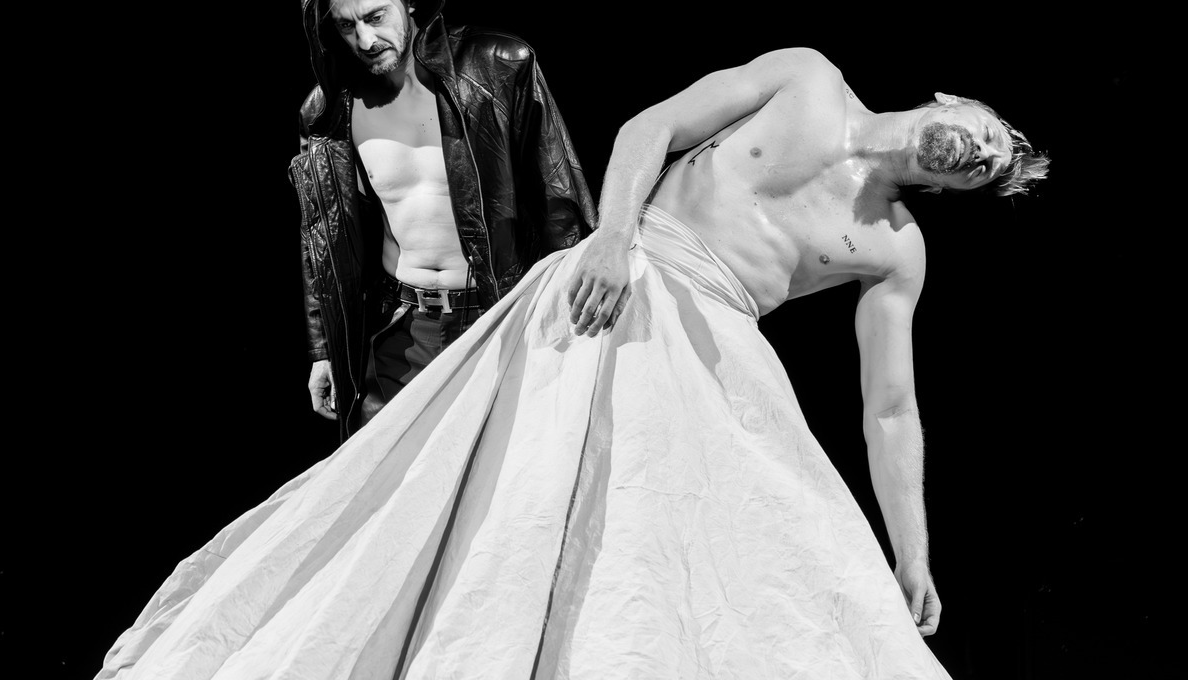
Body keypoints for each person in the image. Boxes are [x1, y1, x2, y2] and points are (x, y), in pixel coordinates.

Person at [96, 47, 1047, 679]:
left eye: (988, 168)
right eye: (989, 132)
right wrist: (612, 240)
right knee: (504, 499)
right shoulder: (808, 78)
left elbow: (890, 410)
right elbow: (651, 128)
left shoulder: (894, 249)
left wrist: (912, 553)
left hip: (711, 344)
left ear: (957, 187)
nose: (979, 152)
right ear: (951, 100)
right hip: (616, 282)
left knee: (679, 551)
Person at [291, 0, 597, 439]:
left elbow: (558, 199)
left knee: (504, 474)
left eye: (375, 16)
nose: (365, 39)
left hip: (498, 318)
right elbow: (321, 237)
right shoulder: (328, 111)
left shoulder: (497, 66)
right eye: (346, 26)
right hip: (403, 330)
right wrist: (324, 351)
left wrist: (576, 316)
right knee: (391, 478)